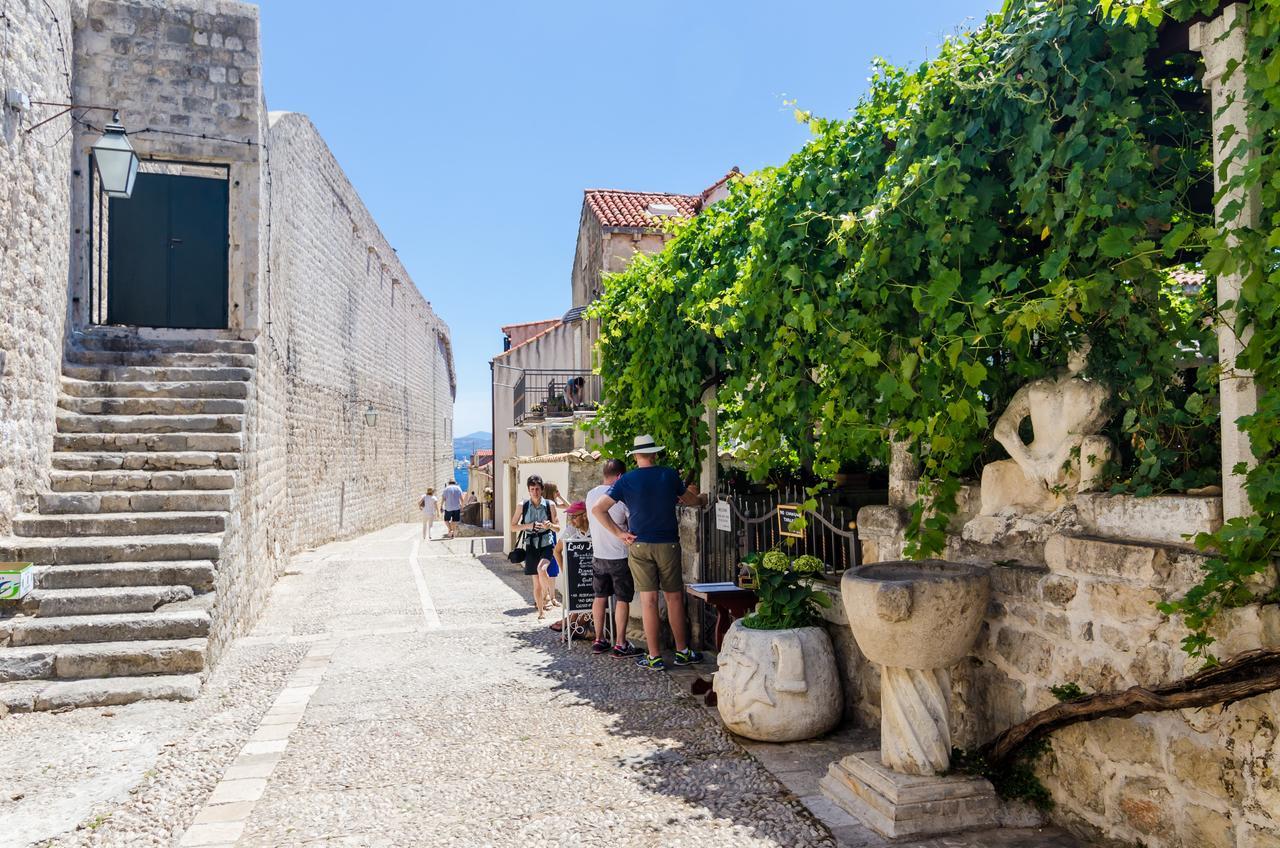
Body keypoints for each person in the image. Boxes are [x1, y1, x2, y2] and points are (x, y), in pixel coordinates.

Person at [590, 435, 703, 671]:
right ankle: (683, 651)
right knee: (674, 598)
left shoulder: (626, 480)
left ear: (636, 455)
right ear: (655, 453)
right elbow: (690, 500)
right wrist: (699, 497)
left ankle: (654, 657)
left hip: (639, 545)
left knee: (648, 601)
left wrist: (620, 534)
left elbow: (598, 509)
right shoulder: (668, 474)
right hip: (668, 544)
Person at [585, 459, 641, 657]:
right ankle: (620, 643)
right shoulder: (620, 496)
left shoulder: (591, 494)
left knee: (599, 597)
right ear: (619, 477)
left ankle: (599, 639)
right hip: (619, 555)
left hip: (598, 555)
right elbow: (631, 522)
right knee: (622, 599)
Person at [511, 474, 559, 619]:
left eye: (537, 489)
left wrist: (550, 525)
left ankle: (548, 597)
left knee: (541, 569)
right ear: (528, 490)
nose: (535, 492)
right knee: (536, 583)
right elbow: (513, 527)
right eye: (532, 489)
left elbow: (558, 528)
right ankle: (541, 612)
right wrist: (529, 526)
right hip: (531, 545)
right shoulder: (522, 506)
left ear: (542, 489)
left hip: (546, 543)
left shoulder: (550, 505)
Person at [550, 501, 593, 636]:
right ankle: (573, 621)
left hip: (597, 573)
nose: (571, 520)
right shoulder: (571, 529)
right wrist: (567, 573)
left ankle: (575, 623)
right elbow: (557, 551)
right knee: (578, 591)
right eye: (570, 517)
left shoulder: (596, 528)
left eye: (574, 516)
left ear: (585, 515)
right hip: (580, 574)